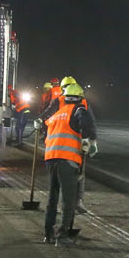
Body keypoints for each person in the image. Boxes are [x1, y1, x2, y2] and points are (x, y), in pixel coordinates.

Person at [43, 81, 97, 245]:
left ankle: (48, 233)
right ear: (80, 98)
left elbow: (46, 124)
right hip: (68, 160)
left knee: (52, 198)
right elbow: (86, 123)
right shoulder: (79, 110)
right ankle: (63, 235)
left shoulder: (58, 114)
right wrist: (89, 141)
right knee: (69, 199)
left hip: (50, 159)